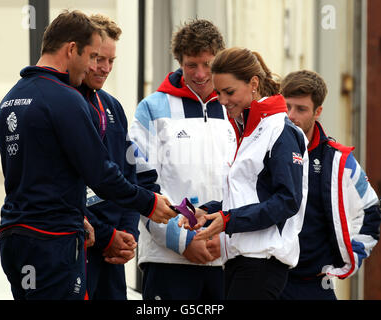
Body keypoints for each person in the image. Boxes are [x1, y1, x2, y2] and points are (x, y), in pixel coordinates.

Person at [0, 10, 176, 300]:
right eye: (93, 56)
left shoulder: (10, 100)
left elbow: (46, 176)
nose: (98, 66)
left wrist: (121, 228)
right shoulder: (65, 99)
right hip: (54, 238)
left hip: (23, 233)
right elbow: (101, 174)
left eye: (109, 60)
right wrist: (149, 203)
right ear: (72, 49)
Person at [180, 47, 309, 300]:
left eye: (229, 92)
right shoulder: (247, 129)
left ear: (253, 83)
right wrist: (208, 211)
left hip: (263, 262)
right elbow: (248, 197)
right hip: (240, 260)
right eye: (218, 93)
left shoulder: (280, 130)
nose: (223, 101)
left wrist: (228, 220)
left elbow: (288, 200)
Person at [129, 19, 237, 300]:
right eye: (191, 65)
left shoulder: (235, 110)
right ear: (179, 62)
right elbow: (139, 182)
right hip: (167, 262)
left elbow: (247, 183)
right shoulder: (152, 108)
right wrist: (184, 241)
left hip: (226, 258)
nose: (200, 74)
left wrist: (222, 235)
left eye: (208, 64)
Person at [278, 70, 381, 300]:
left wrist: (350, 259)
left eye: (301, 109)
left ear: (318, 112)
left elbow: (370, 211)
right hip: (269, 282)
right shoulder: (265, 151)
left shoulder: (338, 161)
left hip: (314, 285)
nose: (291, 115)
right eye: (287, 107)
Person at [78, 14, 140, 300]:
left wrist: (128, 234)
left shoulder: (112, 106)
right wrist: (107, 236)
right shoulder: (64, 102)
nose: (105, 68)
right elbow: (62, 185)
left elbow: (129, 177)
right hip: (81, 244)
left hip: (114, 252)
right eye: (98, 59)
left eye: (111, 61)